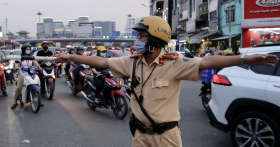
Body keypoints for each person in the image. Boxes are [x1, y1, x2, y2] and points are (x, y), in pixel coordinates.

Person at [55, 16, 278, 147]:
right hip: (140, 135)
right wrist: (71, 56)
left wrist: (245, 58)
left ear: (154, 39)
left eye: (142, 36)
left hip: (166, 138)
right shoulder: (132, 62)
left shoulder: (174, 63)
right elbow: (101, 63)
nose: (138, 40)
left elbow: (207, 62)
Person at [11, 44, 40, 109]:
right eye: (27, 49)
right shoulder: (20, 57)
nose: (28, 50)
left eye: (29, 49)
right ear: (23, 50)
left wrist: (39, 67)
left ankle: (38, 99)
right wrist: (18, 67)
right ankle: (15, 102)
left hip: (31, 73)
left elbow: (36, 63)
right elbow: (16, 64)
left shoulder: (31, 57)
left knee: (37, 84)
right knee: (19, 88)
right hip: (23, 74)